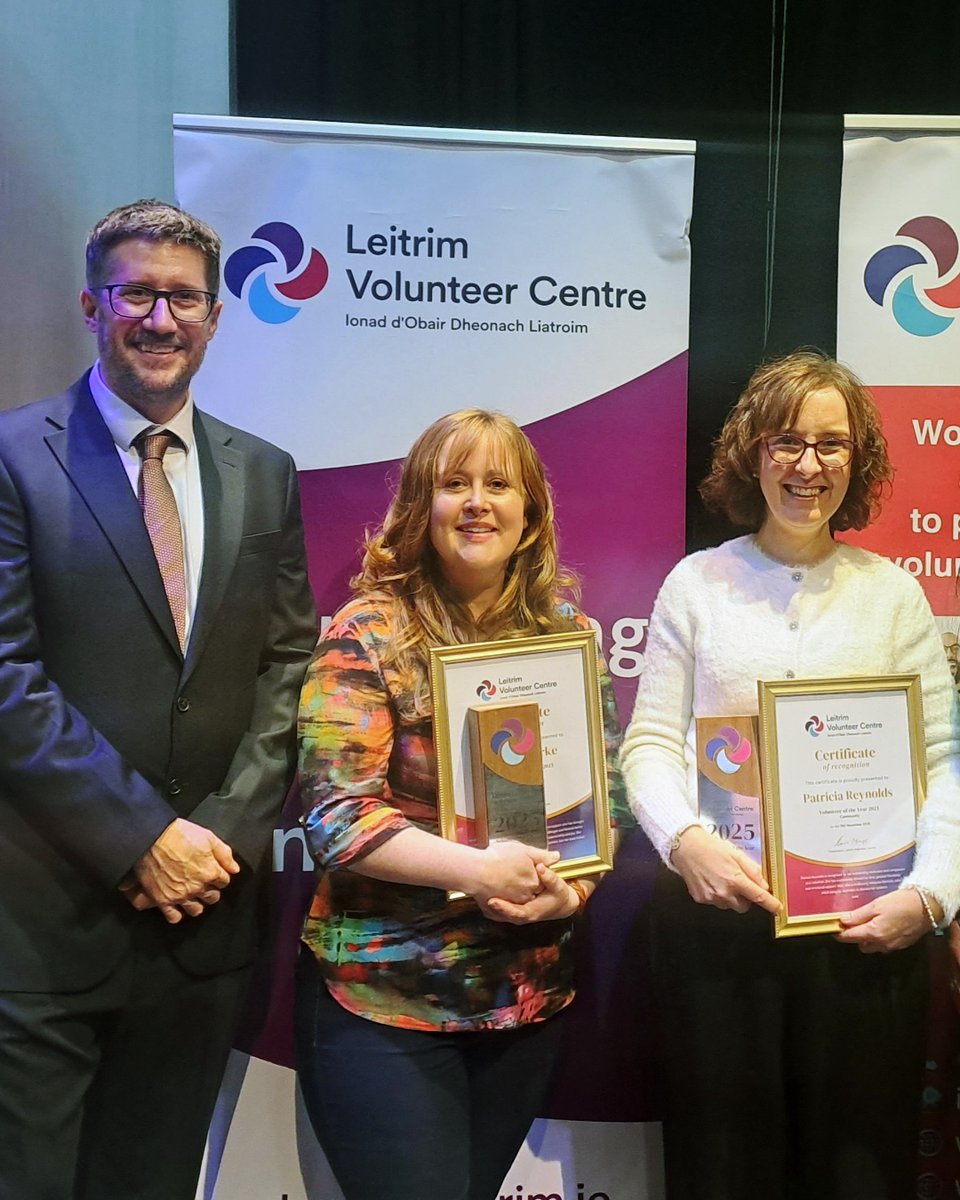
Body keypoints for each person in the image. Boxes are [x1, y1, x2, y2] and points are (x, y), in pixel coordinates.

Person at [0, 200, 317, 1200]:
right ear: (92, 304)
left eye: (184, 298)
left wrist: (217, 837)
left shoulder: (264, 472)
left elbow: (288, 665)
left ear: (215, 317)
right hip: (44, 927)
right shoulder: (13, 457)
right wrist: (143, 838)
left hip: (203, 926)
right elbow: (7, 674)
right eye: (137, 293)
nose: (160, 319)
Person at [620, 350, 960, 1200]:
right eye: (787, 442)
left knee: (857, 1171)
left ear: (857, 460)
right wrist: (684, 842)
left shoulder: (892, 595)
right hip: (721, 929)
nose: (809, 465)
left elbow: (943, 759)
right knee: (725, 1170)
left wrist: (930, 895)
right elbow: (650, 743)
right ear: (753, 452)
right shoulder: (697, 585)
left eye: (832, 444)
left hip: (866, 930)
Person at [296, 409, 628, 1200]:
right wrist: (478, 872)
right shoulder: (367, 634)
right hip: (386, 1002)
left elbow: (604, 798)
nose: (477, 502)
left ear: (530, 512)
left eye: (498, 484)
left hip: (525, 999)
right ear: (422, 505)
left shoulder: (567, 636)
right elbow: (336, 816)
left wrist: (572, 890)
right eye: (454, 484)